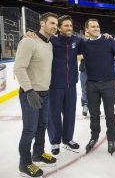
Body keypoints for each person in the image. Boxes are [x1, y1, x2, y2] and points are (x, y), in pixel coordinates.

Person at [14, 12, 58, 177]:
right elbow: (19, 68)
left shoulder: (49, 43)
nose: (54, 26)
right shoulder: (28, 41)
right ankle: (24, 163)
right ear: (42, 23)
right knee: (29, 130)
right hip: (30, 94)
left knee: (42, 126)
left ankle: (38, 153)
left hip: (45, 93)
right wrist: (29, 91)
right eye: (51, 23)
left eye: (56, 24)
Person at [82, 19, 115, 155]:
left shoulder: (109, 41)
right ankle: (94, 137)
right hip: (91, 85)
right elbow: (68, 42)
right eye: (93, 26)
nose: (96, 28)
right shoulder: (84, 44)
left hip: (108, 84)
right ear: (87, 30)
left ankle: (111, 140)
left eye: (97, 26)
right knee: (94, 115)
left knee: (109, 114)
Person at [46, 15, 81, 155]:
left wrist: (105, 36)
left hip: (71, 85)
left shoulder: (77, 41)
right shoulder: (52, 41)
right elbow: (38, 40)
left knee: (70, 114)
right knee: (53, 115)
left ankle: (67, 139)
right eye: (66, 26)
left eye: (71, 25)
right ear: (59, 28)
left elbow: (92, 43)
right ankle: (55, 142)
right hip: (54, 85)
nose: (69, 28)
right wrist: (28, 34)